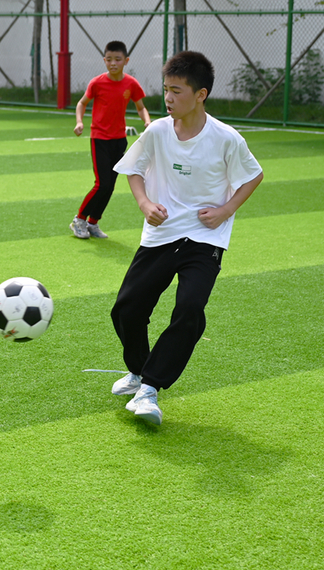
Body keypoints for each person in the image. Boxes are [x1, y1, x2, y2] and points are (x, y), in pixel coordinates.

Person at [108, 51, 264, 425]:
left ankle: (150, 388)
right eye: (166, 90)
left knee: (191, 309)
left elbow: (253, 176)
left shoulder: (226, 138)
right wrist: (145, 203)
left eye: (177, 91)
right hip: (161, 234)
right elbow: (133, 169)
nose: (168, 98)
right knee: (127, 310)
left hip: (204, 239)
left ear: (200, 94)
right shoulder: (158, 131)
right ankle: (139, 370)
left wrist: (225, 211)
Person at [71, 40, 152, 240]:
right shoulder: (97, 83)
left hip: (119, 140)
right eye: (109, 59)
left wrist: (148, 122)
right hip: (99, 138)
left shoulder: (131, 84)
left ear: (126, 60)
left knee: (111, 186)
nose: (113, 63)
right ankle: (79, 219)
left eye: (117, 59)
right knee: (102, 184)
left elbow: (140, 107)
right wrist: (79, 122)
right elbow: (82, 103)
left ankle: (93, 223)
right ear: (104, 61)